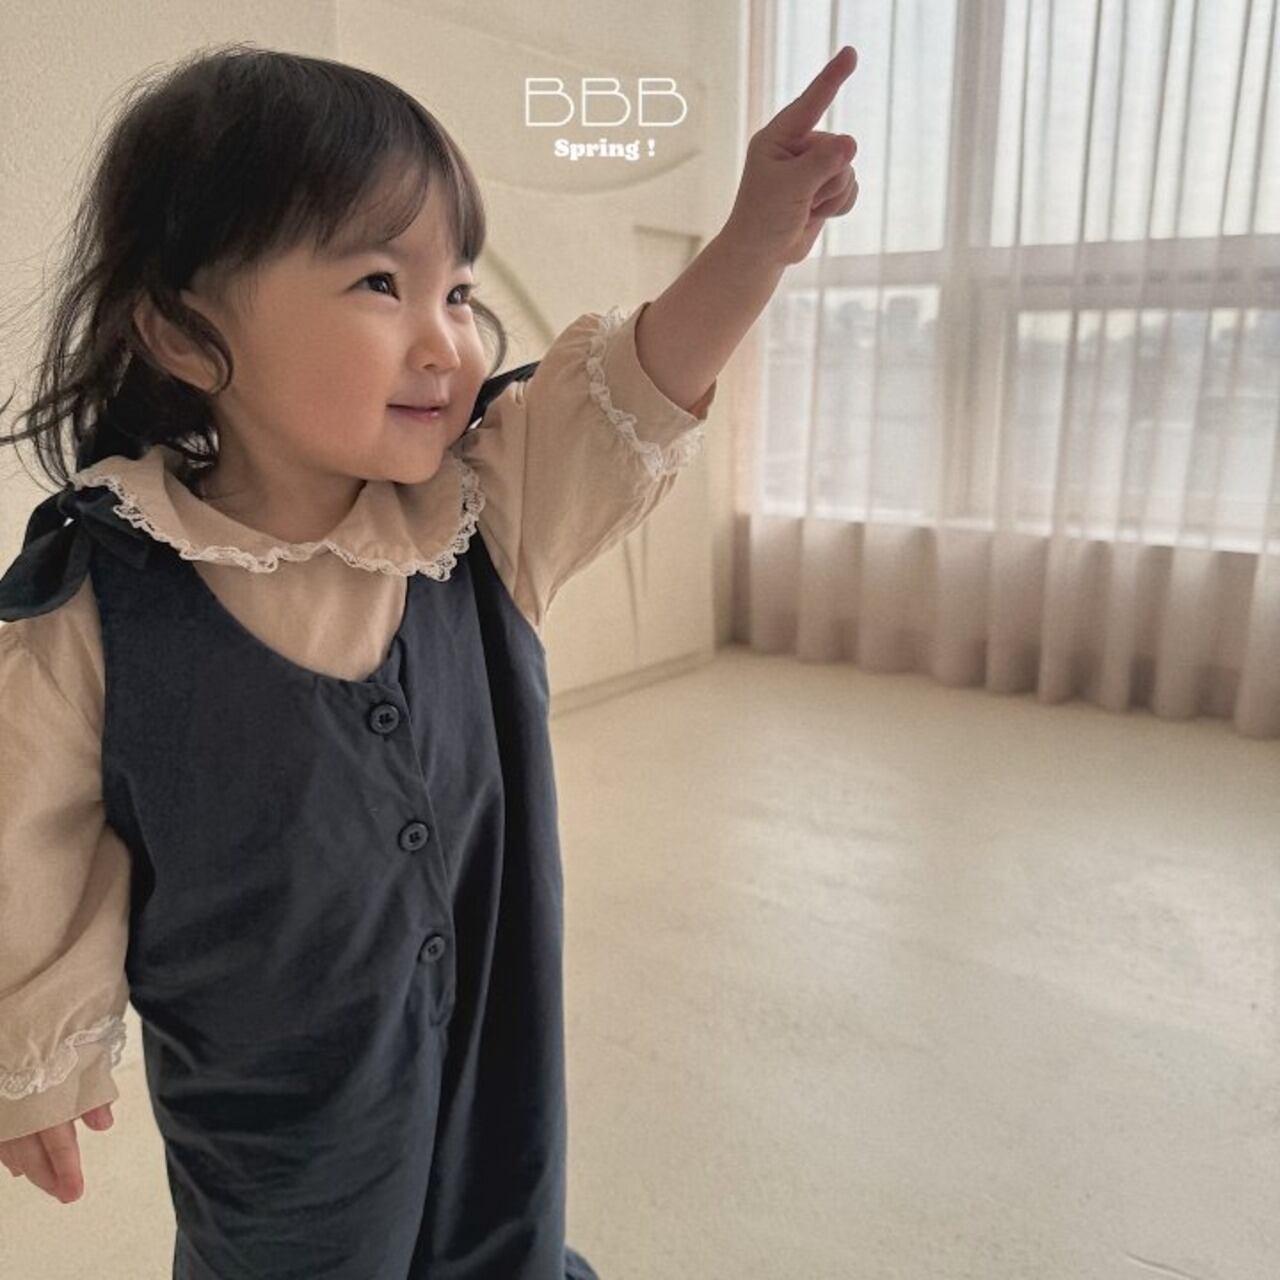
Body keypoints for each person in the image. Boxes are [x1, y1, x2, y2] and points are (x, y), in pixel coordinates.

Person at [0, 40, 858, 1280]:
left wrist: (752, 243)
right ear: (184, 333)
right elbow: (29, 830)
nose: (446, 339)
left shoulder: (480, 512)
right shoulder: (102, 588)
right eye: (378, 281)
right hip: (274, 1111)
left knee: (500, 1237)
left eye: (456, 290)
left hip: (496, 1061)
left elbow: (641, 381)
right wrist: (35, 1050)